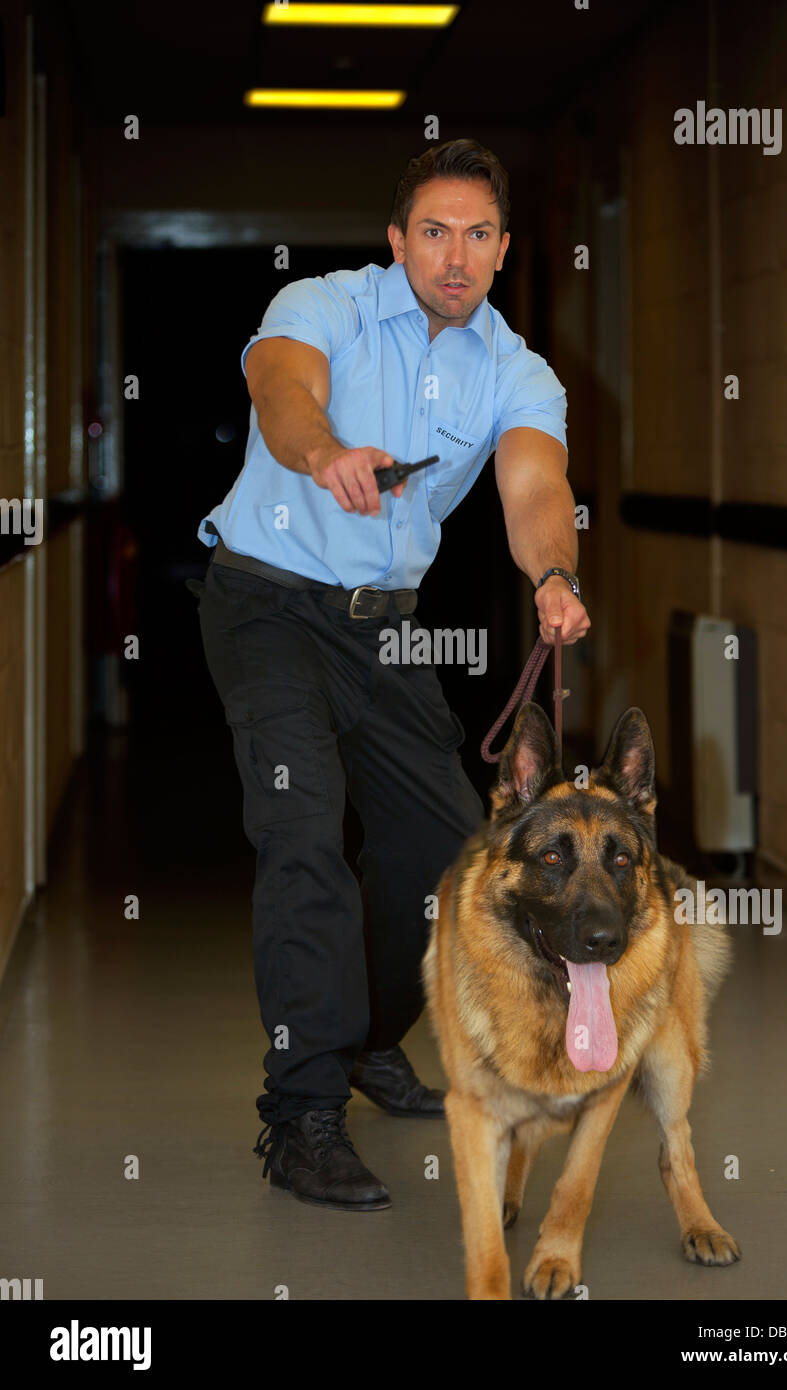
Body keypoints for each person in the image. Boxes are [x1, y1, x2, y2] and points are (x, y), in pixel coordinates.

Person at [189, 137, 590, 1213]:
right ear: (394, 240)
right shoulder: (320, 303)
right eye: (431, 231)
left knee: (444, 850)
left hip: (387, 627)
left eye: (474, 236)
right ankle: (302, 1113)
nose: (451, 256)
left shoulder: (516, 370)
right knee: (304, 832)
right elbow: (280, 391)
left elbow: (533, 485)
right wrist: (321, 451)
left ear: (502, 249)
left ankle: (364, 1041)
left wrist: (553, 568)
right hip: (267, 602)